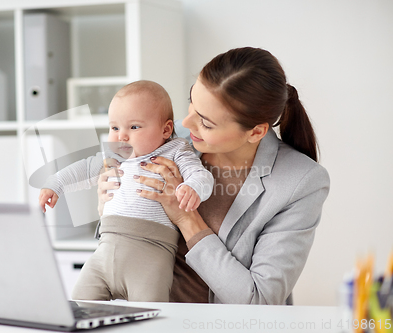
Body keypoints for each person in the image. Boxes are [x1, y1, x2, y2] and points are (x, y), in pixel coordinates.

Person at [97, 47, 331, 305]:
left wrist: (187, 219)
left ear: (255, 132)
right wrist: (109, 208)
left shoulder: (301, 181)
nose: (185, 124)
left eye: (206, 123)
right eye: (191, 103)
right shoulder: (165, 146)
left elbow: (260, 300)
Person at [39, 80, 214, 302]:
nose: (121, 136)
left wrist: (192, 187)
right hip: (104, 252)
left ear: (166, 129)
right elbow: (84, 169)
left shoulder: (177, 150)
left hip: (151, 255)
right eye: (114, 128)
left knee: (151, 317)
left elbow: (201, 176)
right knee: (79, 305)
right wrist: (55, 183)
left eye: (134, 127)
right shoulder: (115, 156)